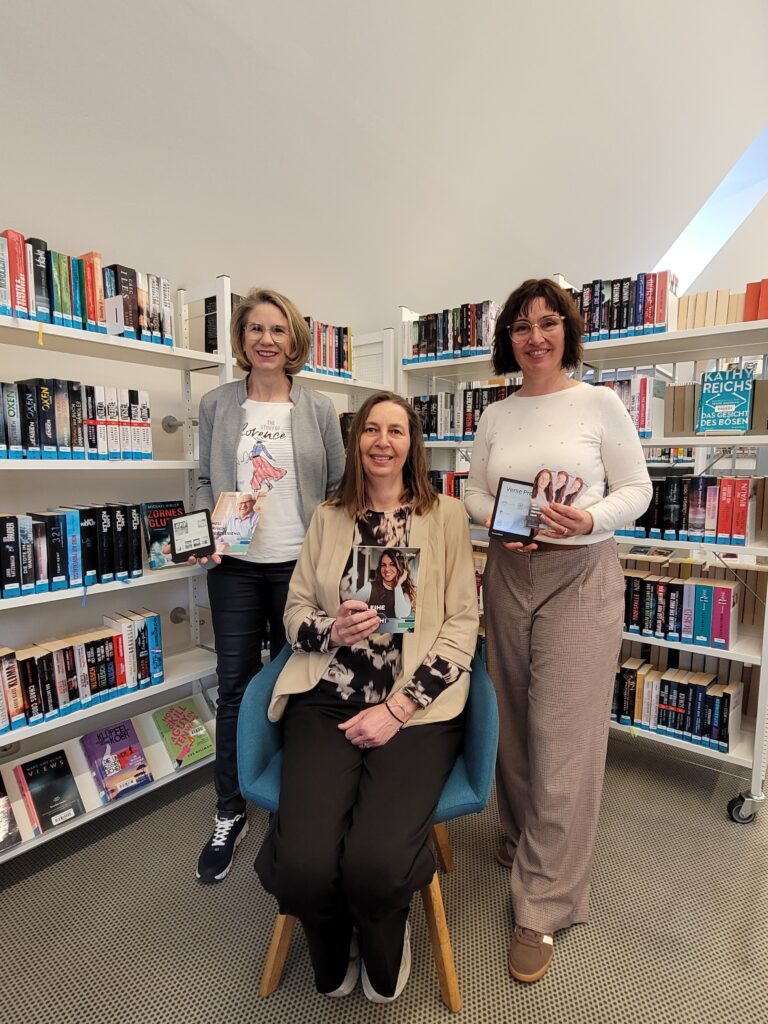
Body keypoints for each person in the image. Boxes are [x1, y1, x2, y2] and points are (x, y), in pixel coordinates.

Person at [255, 391, 479, 1002]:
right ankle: (330, 950)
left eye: (396, 431)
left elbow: (462, 624)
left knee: (376, 865)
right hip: (327, 697)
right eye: (371, 430)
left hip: (415, 707)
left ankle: (383, 953)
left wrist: (399, 709)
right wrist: (331, 630)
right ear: (355, 443)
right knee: (303, 866)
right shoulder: (329, 517)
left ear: (412, 444)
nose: (383, 441)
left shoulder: (447, 516)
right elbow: (294, 612)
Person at [465, 278, 651, 984]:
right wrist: (495, 519)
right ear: (507, 339)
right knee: (512, 720)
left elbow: (637, 490)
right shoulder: (495, 413)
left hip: (580, 576)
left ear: (568, 331)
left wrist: (590, 518)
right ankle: (521, 835)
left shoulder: (600, 404)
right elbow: (474, 488)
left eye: (548, 323)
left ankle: (545, 904)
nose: (535, 336)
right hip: (508, 572)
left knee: (564, 736)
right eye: (521, 326)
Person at [193, 287, 345, 884]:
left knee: (300, 681)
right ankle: (229, 809)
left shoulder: (318, 408)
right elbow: (204, 479)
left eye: (278, 329)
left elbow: (336, 488)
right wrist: (205, 531)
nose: (266, 340)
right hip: (234, 566)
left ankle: (294, 799)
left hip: (298, 568)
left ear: (294, 340)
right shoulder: (216, 403)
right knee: (234, 686)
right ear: (241, 339)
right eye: (255, 329)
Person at [353, 548, 415, 626]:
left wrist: (397, 586)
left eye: (392, 564)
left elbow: (401, 615)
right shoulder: (370, 587)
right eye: (383, 565)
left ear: (401, 568)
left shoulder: (405, 592)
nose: (387, 569)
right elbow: (351, 608)